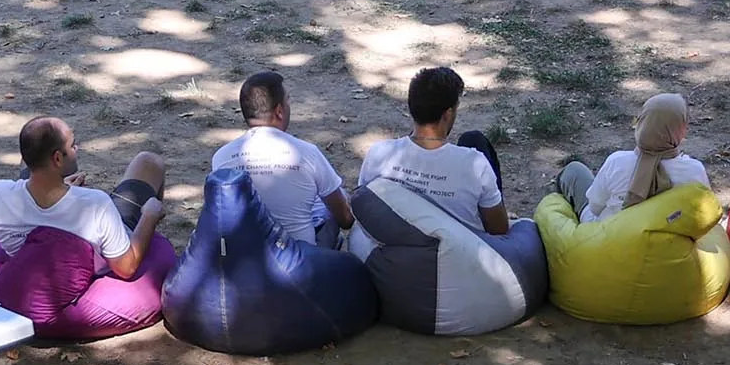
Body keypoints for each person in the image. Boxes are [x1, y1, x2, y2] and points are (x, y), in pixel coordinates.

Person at [0, 116, 169, 281]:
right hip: (83, 274)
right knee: (148, 162)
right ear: (57, 158)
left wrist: (66, 191)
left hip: (29, 266)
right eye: (72, 146)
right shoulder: (96, 204)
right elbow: (126, 268)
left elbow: (44, 217)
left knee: (37, 146)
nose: (76, 148)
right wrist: (149, 215)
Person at [356, 66, 509, 236]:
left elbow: (363, 208)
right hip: (460, 254)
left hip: (393, 249)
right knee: (473, 139)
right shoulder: (474, 164)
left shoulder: (378, 154)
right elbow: (499, 230)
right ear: (448, 114)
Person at [212, 70, 355, 246]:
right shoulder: (307, 153)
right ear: (279, 111)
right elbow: (345, 219)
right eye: (288, 100)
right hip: (299, 264)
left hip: (244, 262)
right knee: (331, 199)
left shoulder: (222, 158)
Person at [557, 92, 710, 221]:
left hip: (606, 242)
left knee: (574, 171)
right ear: (682, 130)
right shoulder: (694, 171)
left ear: (642, 124)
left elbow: (595, 207)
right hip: (667, 245)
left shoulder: (617, 162)